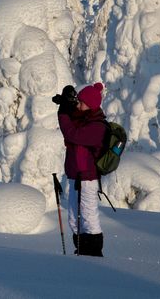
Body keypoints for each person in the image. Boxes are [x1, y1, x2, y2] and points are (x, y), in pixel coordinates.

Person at [52, 82, 107, 256]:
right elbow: (73, 122)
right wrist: (66, 105)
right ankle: (82, 250)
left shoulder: (97, 127)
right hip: (76, 176)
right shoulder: (84, 119)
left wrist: (63, 112)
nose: (78, 104)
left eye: (81, 102)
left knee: (89, 216)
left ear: (90, 105)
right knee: (74, 218)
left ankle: (94, 252)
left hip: (87, 178)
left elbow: (72, 134)